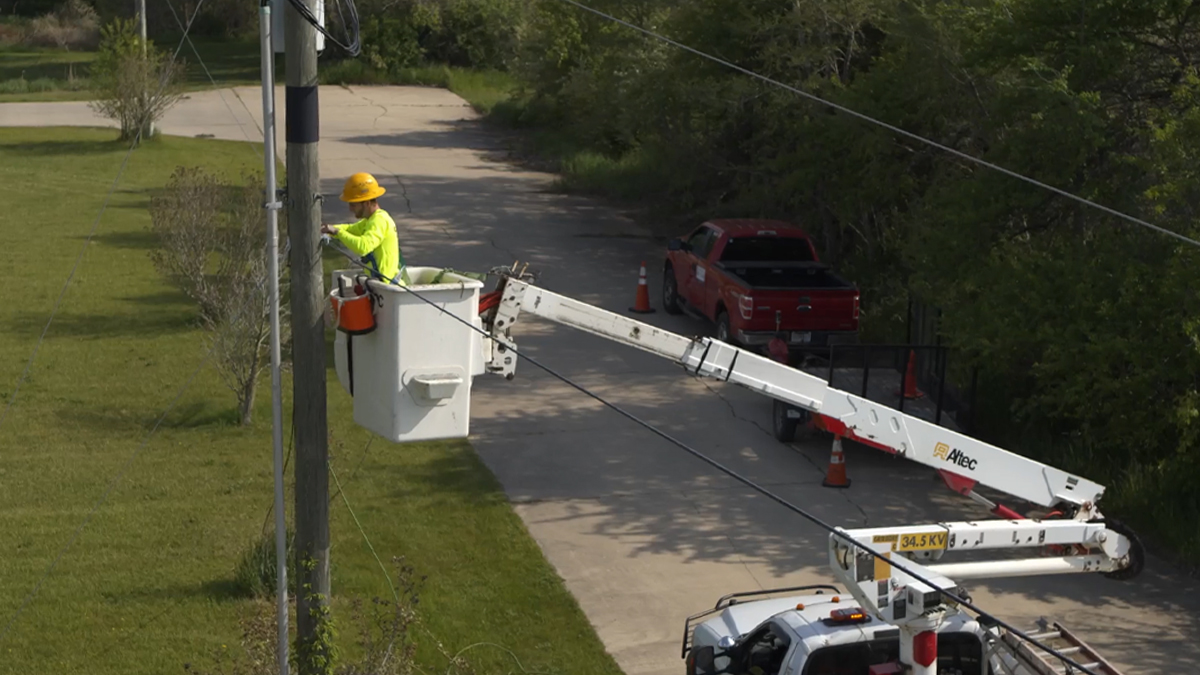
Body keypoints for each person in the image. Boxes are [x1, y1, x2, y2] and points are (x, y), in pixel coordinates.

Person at [320, 172, 407, 285]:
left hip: (387, 287)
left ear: (366, 203)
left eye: (353, 205)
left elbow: (363, 246)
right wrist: (327, 229)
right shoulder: (370, 220)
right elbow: (350, 229)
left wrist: (337, 232)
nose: (350, 209)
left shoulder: (379, 221)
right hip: (381, 286)